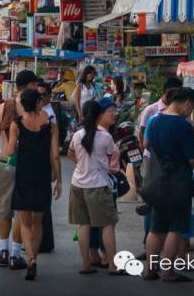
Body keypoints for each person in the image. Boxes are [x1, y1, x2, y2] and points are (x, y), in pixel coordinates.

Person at [143, 87, 194, 283]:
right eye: (192, 107)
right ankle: (168, 272)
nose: (191, 110)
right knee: (176, 227)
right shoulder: (183, 125)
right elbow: (193, 159)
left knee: (157, 227)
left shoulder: (155, 121)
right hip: (178, 182)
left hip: (158, 181)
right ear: (186, 103)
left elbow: (149, 147)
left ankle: (149, 270)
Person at [0, 69, 39, 270]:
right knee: (21, 210)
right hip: (27, 164)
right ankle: (16, 253)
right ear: (31, 85)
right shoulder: (34, 108)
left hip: (6, 164)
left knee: (4, 207)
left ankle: (3, 249)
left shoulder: (2, 107)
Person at [6, 89, 62, 281]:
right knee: (38, 221)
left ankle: (30, 259)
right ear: (37, 103)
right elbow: (55, 155)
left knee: (24, 221)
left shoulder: (17, 125)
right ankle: (33, 257)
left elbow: (9, 151)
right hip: (42, 175)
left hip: (24, 175)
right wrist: (59, 180)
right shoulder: (51, 126)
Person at [68, 100, 121, 276]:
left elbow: (71, 153)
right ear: (99, 115)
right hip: (98, 185)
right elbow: (109, 158)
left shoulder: (77, 135)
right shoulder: (105, 137)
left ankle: (85, 263)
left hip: (77, 184)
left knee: (84, 224)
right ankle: (113, 265)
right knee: (107, 224)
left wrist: (81, 165)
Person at [137, 77, 183, 153]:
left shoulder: (179, 110)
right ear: (168, 91)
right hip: (152, 156)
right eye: (176, 93)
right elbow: (142, 132)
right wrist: (144, 153)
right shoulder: (150, 109)